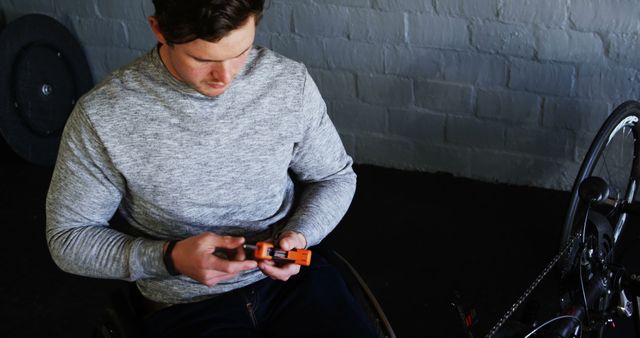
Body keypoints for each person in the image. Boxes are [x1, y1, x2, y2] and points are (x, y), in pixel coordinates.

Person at [45, 0, 377, 337]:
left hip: (293, 284)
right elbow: (68, 237)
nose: (226, 76)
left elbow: (334, 177)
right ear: (159, 30)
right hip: (185, 305)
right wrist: (168, 258)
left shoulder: (289, 83)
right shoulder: (104, 115)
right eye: (203, 60)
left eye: (241, 52)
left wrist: (300, 234)